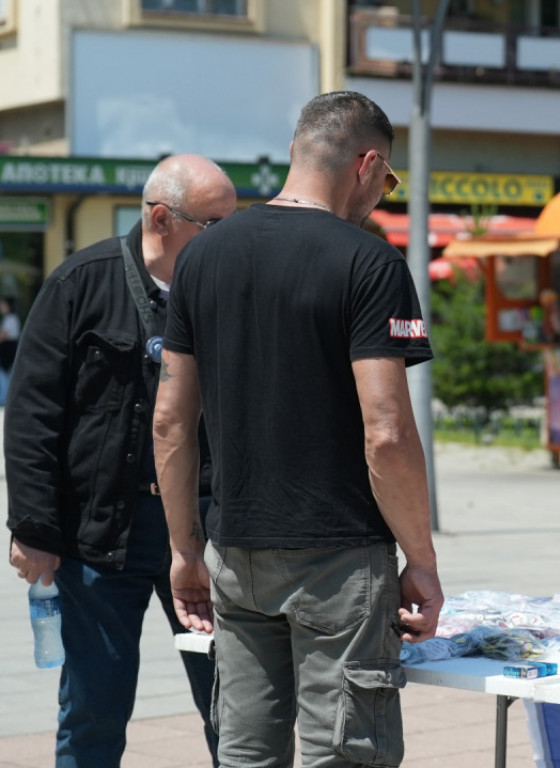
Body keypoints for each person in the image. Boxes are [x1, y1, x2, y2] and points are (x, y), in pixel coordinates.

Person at [152, 91, 444, 767]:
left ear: (295, 154)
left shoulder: (201, 257)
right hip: (339, 559)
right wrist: (421, 559)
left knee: (246, 754)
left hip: (236, 550)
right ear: (368, 165)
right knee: (343, 754)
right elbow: (388, 432)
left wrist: (184, 549)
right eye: (388, 179)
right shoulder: (370, 264)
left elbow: (170, 421)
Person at [5, 154, 235, 766]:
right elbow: (32, 415)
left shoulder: (230, 293)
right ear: (162, 218)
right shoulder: (80, 283)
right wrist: (32, 528)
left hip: (205, 530)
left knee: (232, 707)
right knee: (93, 711)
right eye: (215, 225)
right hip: (99, 536)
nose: (230, 240)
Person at [0, 295, 20, 404]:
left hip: (8, 348)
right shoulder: (9, 318)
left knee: (5, 374)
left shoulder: (12, 318)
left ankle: (5, 397)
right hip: (7, 348)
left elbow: (3, 335)